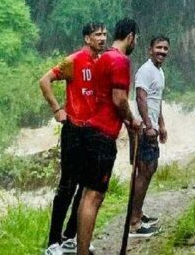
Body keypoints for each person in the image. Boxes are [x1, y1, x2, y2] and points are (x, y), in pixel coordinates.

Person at [38, 22, 108, 255]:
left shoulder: (104, 61)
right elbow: (44, 80)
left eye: (105, 34)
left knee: (86, 187)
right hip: (74, 130)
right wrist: (57, 109)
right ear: (87, 38)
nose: (102, 38)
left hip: (94, 132)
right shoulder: (74, 60)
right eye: (97, 35)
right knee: (67, 186)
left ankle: (70, 236)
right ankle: (52, 242)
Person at [75, 19, 141, 255]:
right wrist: (132, 120)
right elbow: (119, 99)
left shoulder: (102, 58)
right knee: (94, 196)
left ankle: (81, 249)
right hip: (102, 136)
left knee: (87, 194)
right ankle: (82, 251)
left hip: (89, 131)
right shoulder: (120, 60)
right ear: (131, 37)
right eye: (136, 39)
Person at [127, 36, 170, 238]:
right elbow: (141, 97)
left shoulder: (159, 72)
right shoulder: (145, 70)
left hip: (151, 127)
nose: (162, 51)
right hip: (144, 129)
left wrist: (161, 124)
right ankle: (134, 223)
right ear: (150, 50)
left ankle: (138, 213)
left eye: (165, 48)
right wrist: (149, 125)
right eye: (158, 48)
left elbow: (156, 100)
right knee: (144, 172)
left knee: (149, 169)